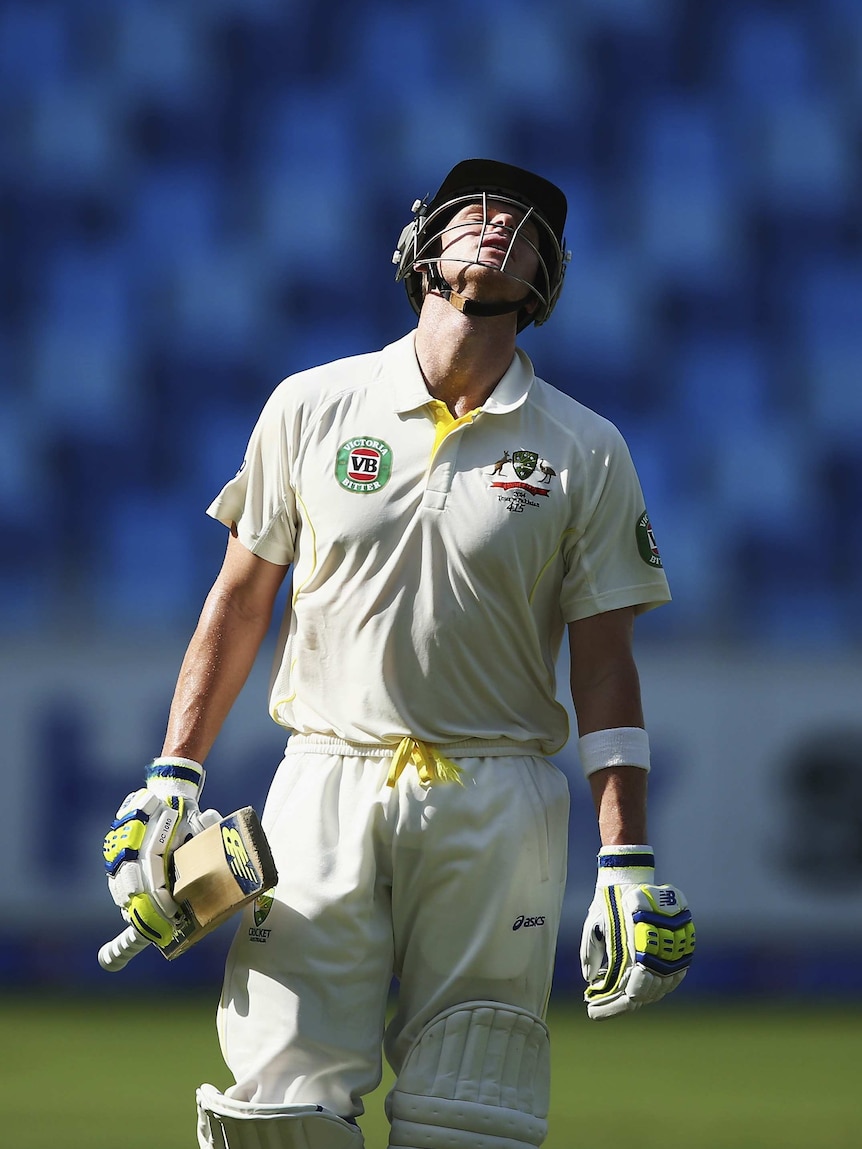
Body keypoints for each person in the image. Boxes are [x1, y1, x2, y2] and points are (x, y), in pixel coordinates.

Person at [103, 159, 695, 1149]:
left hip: (497, 799)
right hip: (323, 784)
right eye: (477, 212)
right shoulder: (312, 405)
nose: (501, 226)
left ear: (546, 280)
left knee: (473, 1114)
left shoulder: (586, 449)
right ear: (419, 249)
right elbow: (240, 602)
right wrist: (173, 777)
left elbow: (603, 666)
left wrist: (626, 858)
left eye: (527, 227)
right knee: (279, 1113)